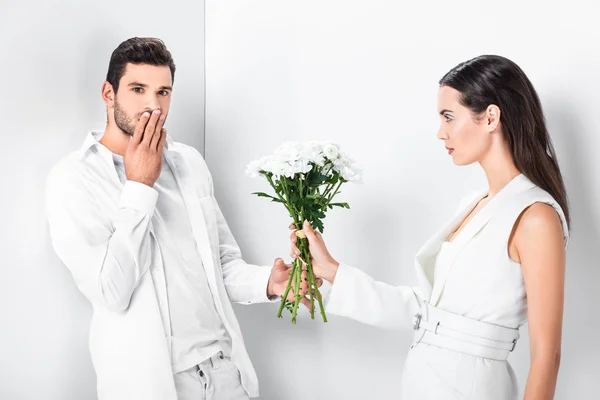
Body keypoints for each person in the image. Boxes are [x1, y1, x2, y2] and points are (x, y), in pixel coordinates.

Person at [290, 55, 570, 399]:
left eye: (449, 117)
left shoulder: (535, 216)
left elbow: (547, 357)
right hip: (424, 382)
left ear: (491, 117)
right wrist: (332, 271)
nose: (441, 133)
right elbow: (424, 311)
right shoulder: (474, 205)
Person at [45, 37, 306, 400]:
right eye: (138, 89)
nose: (153, 106)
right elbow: (110, 292)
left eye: (163, 92)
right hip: (151, 382)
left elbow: (221, 264)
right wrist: (140, 185)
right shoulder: (74, 178)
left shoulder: (189, 163)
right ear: (108, 93)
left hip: (224, 373)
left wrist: (269, 282)